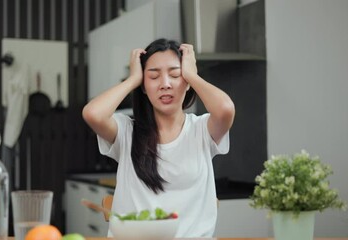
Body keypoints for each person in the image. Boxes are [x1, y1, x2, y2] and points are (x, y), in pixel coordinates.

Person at [82, 38, 235, 237]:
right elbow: (93, 113)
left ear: (187, 82)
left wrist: (192, 75)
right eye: (153, 77)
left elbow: (225, 109)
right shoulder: (127, 132)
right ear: (143, 86)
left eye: (175, 75)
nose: (165, 84)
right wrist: (133, 80)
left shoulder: (201, 130)